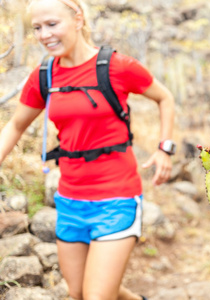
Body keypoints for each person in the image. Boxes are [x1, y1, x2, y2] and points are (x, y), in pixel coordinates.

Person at [0, 0, 175, 299]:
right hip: (70, 201)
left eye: (52, 24)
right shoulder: (44, 76)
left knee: (96, 297)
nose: (44, 35)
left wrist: (164, 148)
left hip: (116, 198)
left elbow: (164, 97)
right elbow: (15, 125)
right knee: (79, 292)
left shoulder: (117, 66)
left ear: (78, 19)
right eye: (37, 28)